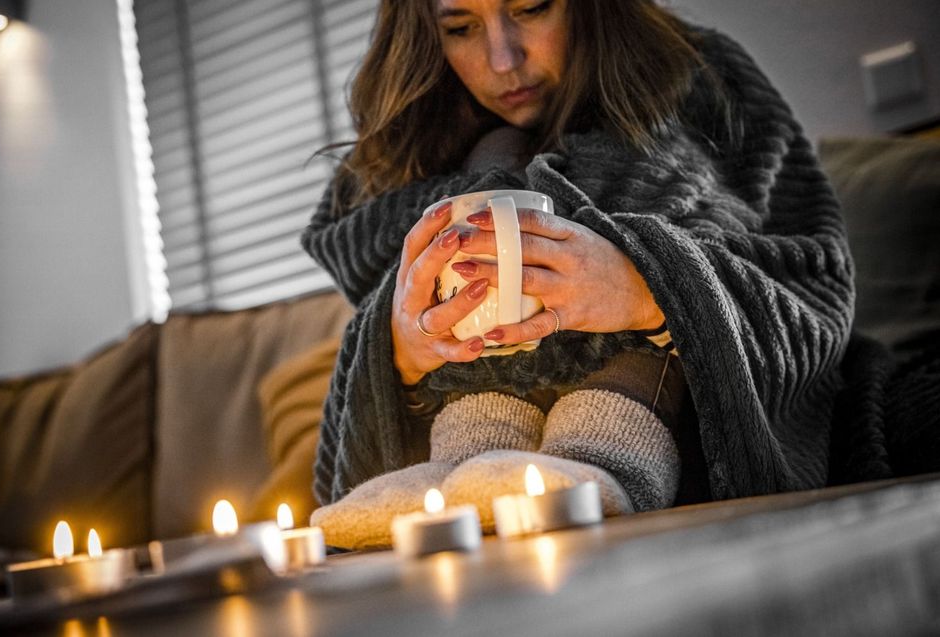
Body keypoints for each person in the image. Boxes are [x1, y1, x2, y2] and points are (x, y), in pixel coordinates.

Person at [301, 0, 854, 548]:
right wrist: (402, 349)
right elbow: (374, 344)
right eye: (461, 27)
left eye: (532, 8)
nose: (502, 59)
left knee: (658, 232)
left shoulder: (700, 77)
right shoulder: (398, 168)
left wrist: (650, 287)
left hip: (658, 412)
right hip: (455, 424)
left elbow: (815, 275)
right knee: (489, 180)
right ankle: (463, 459)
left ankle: (599, 455)